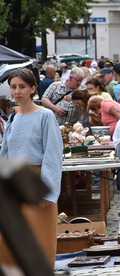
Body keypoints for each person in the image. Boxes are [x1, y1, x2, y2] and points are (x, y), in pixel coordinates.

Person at [0, 68, 63, 267]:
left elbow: (52, 155)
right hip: (13, 185)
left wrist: (47, 192)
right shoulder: (13, 117)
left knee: (39, 240)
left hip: (37, 182)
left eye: (22, 87)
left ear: (33, 88)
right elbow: (5, 153)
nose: (17, 91)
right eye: (13, 87)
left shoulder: (45, 116)